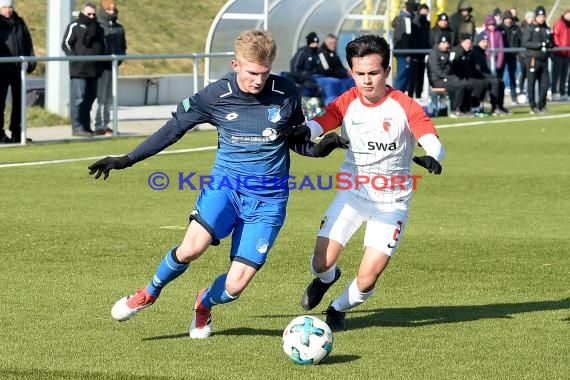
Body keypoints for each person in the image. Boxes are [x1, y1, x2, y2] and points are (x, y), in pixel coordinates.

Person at [87, 29, 346, 339]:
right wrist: (126, 159)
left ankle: (203, 304)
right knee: (190, 249)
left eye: (264, 73)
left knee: (235, 286)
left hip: (269, 201)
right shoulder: (215, 95)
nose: (258, 80)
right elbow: (172, 131)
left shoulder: (287, 92)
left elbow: (295, 141)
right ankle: (148, 293)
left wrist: (318, 148)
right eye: (252, 73)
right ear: (236, 65)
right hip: (225, 188)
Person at [295, 34, 445, 330]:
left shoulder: (404, 105)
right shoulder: (347, 100)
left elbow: (429, 135)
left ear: (387, 71)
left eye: (374, 73)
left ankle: (337, 308)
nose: (366, 80)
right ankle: (327, 278)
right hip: (353, 193)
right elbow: (321, 121)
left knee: (367, 279)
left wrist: (433, 155)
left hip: (392, 202)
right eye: (359, 73)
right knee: (320, 262)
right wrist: (305, 131)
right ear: (351, 72)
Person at [62, 2, 105, 137]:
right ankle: (77, 127)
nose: (91, 16)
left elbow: (102, 46)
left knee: (90, 99)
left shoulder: (99, 28)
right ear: (83, 13)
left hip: (94, 70)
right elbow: (66, 44)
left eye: (93, 14)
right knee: (78, 99)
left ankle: (86, 127)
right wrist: (75, 60)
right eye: (89, 14)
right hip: (79, 71)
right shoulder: (74, 26)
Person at [0, 0, 36, 144]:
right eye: (5, 7)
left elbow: (27, 41)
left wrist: (31, 59)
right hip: (2, 70)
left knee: (19, 103)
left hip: (18, 69)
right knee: (0, 103)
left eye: (10, 7)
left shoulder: (19, 21)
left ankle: (17, 132)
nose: (8, 10)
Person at [94, 0, 126, 136]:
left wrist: (121, 57)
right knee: (101, 97)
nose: (111, 12)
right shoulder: (98, 26)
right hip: (102, 68)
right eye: (108, 10)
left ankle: (105, 124)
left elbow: (123, 46)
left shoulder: (119, 28)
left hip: (113, 66)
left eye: (113, 10)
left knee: (109, 97)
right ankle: (99, 125)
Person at [427, 34, 473, 117]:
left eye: (446, 43)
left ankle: (465, 108)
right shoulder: (434, 54)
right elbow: (437, 71)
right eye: (443, 43)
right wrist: (450, 78)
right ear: (439, 43)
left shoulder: (449, 53)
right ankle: (455, 109)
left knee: (467, 84)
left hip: (448, 78)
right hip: (437, 80)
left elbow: (451, 69)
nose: (445, 45)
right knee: (460, 86)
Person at [522, 6, 553, 114]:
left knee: (545, 84)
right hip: (533, 59)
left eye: (543, 16)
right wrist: (539, 45)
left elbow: (550, 42)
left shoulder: (547, 28)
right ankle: (532, 105)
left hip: (544, 59)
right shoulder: (530, 28)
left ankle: (542, 104)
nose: (542, 18)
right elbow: (525, 43)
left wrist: (550, 45)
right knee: (531, 83)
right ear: (536, 17)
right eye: (539, 16)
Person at [470, 32, 510, 115]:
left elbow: (485, 69)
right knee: (494, 82)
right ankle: (494, 107)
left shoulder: (482, 52)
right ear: (478, 42)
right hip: (476, 76)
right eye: (483, 41)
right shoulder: (475, 52)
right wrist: (490, 77)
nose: (486, 44)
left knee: (500, 81)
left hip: (483, 75)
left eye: (487, 41)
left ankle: (500, 105)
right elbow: (477, 70)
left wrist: (491, 75)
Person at [391, 0, 418, 91]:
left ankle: (398, 95)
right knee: (402, 75)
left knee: (402, 75)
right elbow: (406, 38)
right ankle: (398, 96)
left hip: (401, 52)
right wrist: (407, 53)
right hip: (403, 53)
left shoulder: (399, 18)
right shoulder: (406, 20)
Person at [407, 3, 431, 98]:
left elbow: (427, 38)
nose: (424, 13)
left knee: (420, 79)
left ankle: (418, 97)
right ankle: (409, 97)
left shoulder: (427, 24)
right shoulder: (414, 23)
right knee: (412, 79)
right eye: (423, 11)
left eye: (426, 11)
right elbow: (412, 39)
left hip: (423, 55)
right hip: (414, 56)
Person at [497, 11, 521, 104]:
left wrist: (517, 51)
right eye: (506, 19)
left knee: (512, 77)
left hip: (512, 56)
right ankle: (499, 97)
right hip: (501, 55)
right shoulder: (499, 28)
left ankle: (514, 97)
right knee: (500, 77)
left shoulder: (516, 28)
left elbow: (520, 40)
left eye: (510, 19)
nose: (508, 21)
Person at [551, 10, 570, 101]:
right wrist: (559, 47)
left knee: (564, 74)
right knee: (556, 74)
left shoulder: (568, 25)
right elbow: (556, 36)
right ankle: (554, 92)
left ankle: (562, 92)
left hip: (567, 54)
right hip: (559, 53)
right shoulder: (559, 23)